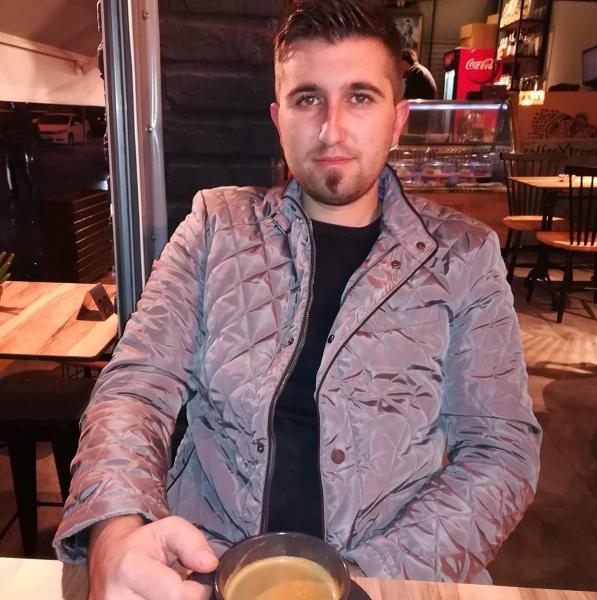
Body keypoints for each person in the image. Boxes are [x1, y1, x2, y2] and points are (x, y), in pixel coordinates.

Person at [53, 1, 541, 598]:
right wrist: (115, 528)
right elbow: (137, 385)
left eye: (360, 97)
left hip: (389, 578)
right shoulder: (215, 225)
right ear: (278, 118)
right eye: (308, 98)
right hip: (207, 568)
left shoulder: (463, 255)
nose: (332, 129)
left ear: (397, 119)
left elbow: (500, 450)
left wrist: (365, 580)